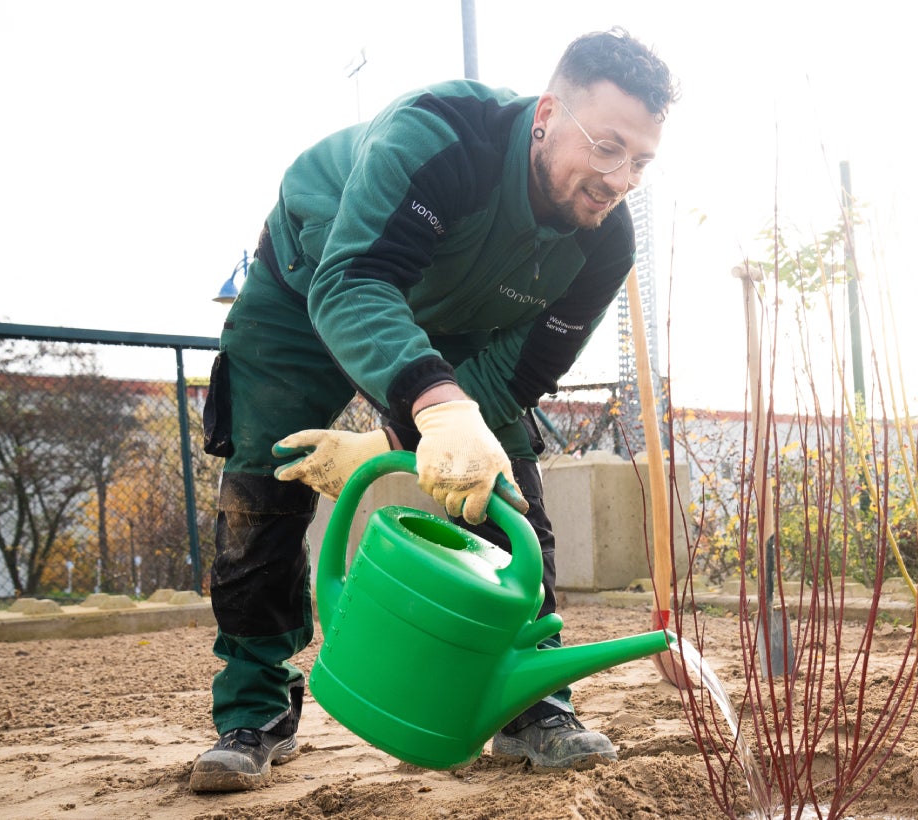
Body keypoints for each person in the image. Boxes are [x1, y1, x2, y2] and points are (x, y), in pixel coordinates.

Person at [192, 27, 678, 793]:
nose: (620, 178)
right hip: (315, 275)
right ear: (548, 113)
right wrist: (429, 404)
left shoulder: (604, 241)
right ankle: (254, 711)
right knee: (264, 480)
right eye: (609, 147)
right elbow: (356, 283)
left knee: (502, 483)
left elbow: (522, 368)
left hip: (455, 319)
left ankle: (533, 704)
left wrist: (414, 432)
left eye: (642, 161)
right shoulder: (440, 135)